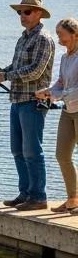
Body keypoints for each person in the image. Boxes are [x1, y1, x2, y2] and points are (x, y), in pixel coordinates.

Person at [0, 0, 55, 211]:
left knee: (32, 150)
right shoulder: (23, 38)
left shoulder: (43, 39)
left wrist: (5, 77)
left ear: (39, 14)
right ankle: (25, 193)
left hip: (34, 101)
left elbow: (36, 71)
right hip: (17, 100)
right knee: (18, 150)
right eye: (20, 12)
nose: (22, 15)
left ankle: (39, 197)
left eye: (27, 11)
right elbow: (15, 67)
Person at [36, 17, 78, 213]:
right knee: (62, 155)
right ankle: (73, 199)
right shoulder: (64, 57)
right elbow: (61, 82)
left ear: (74, 34)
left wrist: (56, 95)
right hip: (67, 111)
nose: (58, 36)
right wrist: (48, 90)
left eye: (61, 33)